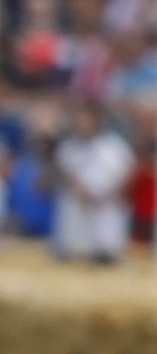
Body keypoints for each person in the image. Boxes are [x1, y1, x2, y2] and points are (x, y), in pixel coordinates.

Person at [54, 99, 136, 262]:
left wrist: (104, 193)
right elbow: (62, 175)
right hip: (75, 226)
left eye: (85, 118)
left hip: (105, 220)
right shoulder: (67, 149)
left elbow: (129, 177)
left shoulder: (115, 148)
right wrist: (79, 188)